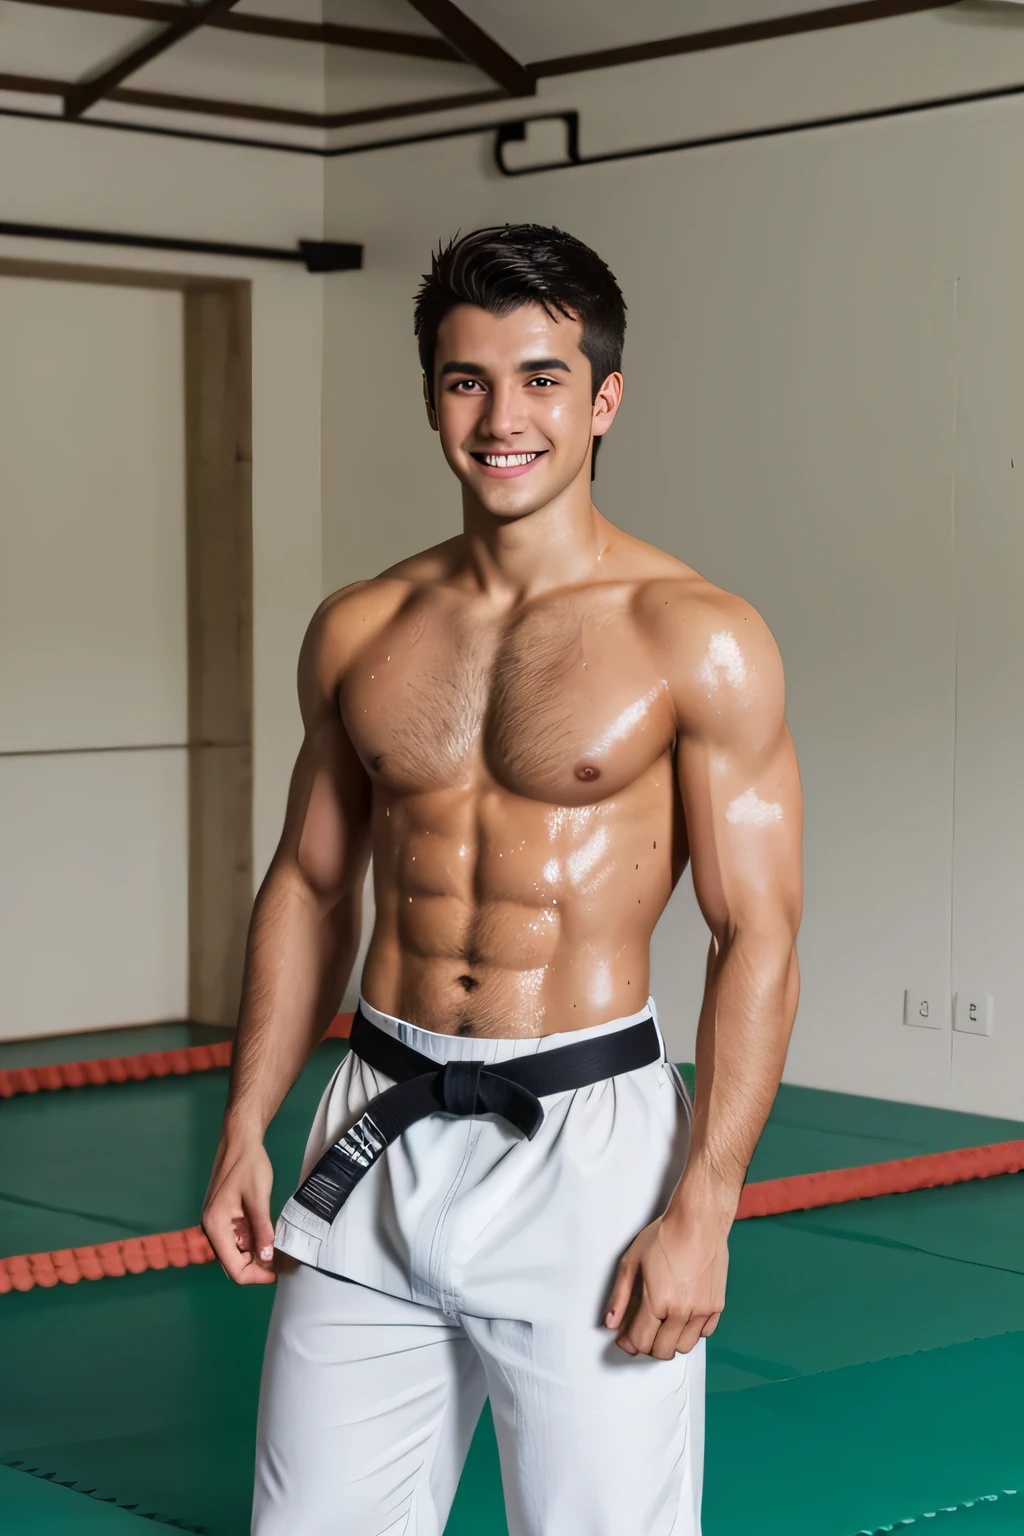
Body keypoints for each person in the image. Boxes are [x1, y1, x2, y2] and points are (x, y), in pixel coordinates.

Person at [202, 223, 803, 1536]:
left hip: (588, 1149)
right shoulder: (362, 626)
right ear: (432, 396)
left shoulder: (696, 636)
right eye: (467, 379)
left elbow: (755, 931)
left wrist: (707, 1203)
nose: (502, 416)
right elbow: (309, 886)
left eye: (540, 377)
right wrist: (247, 1121)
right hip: (375, 1120)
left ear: (604, 398)